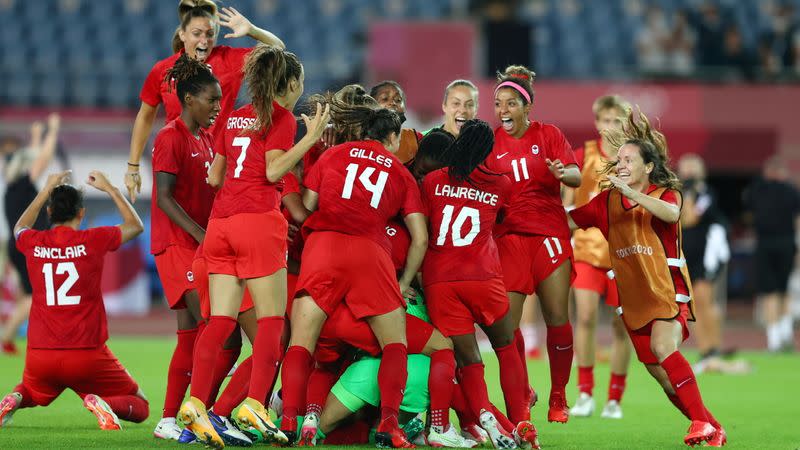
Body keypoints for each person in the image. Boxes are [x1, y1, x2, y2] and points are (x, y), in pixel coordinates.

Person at [178, 45, 329, 450]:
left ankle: (195, 402)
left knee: (221, 322)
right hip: (258, 223)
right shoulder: (278, 118)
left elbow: (213, 177)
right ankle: (253, 404)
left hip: (220, 225)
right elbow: (273, 170)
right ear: (291, 83)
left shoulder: (235, 116)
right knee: (271, 322)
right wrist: (309, 137)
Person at [568, 110, 726, 447]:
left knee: (662, 346)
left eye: (628, 158)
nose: (620, 162)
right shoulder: (606, 201)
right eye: (618, 158)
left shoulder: (667, 193)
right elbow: (568, 221)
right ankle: (711, 425)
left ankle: (699, 422)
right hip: (634, 300)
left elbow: (672, 214)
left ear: (648, 167)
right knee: (666, 381)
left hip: (668, 291)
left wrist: (631, 193)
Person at [280, 100, 427, 449]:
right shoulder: (402, 173)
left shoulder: (333, 155)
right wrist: (403, 283)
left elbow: (307, 209)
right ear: (390, 137)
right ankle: (389, 423)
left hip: (323, 247)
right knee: (394, 344)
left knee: (302, 342)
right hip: (370, 252)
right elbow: (420, 237)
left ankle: (288, 422)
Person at [417, 122, 539, 449]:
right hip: (482, 277)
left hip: (440, 281)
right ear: (487, 151)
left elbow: (422, 228)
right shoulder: (500, 184)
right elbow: (502, 218)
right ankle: (520, 423)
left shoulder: (431, 182)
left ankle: (483, 412)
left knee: (468, 359)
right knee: (507, 347)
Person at [0, 170, 149, 430]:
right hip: (86, 354)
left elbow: (19, 228)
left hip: (40, 354)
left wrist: (46, 189)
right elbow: (136, 226)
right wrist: (112, 188)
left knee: (32, 390)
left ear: (48, 212)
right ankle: (103, 403)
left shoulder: (34, 241)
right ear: (81, 213)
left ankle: (15, 399)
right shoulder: (92, 239)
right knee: (141, 405)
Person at [483, 65, 581, 423]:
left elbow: (576, 174)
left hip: (549, 236)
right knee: (507, 328)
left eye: (511, 103)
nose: (503, 110)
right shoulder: (489, 142)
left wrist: (561, 173)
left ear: (527, 107)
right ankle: (522, 395)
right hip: (509, 240)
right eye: (498, 104)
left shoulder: (549, 134)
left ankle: (558, 395)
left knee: (557, 317)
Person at [125, 1, 285, 203]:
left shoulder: (229, 60)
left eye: (210, 34)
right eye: (197, 33)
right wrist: (133, 166)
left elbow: (278, 51)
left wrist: (252, 30)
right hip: (178, 164)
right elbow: (145, 116)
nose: (204, 40)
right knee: (178, 231)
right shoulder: (163, 70)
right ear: (182, 34)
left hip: (219, 166)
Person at [147, 54, 229, 441]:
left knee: (191, 334)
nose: (217, 106)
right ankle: (202, 412)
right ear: (189, 99)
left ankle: (169, 419)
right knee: (214, 328)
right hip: (178, 244)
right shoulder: (170, 136)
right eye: (212, 99)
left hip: (201, 242)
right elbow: (163, 197)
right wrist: (201, 234)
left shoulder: (208, 138)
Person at [563, 95, 632, 419]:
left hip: (625, 254)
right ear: (597, 123)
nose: (609, 127)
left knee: (623, 327)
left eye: (616, 121)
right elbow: (567, 201)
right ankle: (585, 393)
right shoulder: (584, 155)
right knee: (586, 317)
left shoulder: (634, 159)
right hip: (587, 249)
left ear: (626, 124)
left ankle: (614, 398)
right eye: (605, 121)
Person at [1, 114, 61, 354]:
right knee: (34, 297)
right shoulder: (23, 184)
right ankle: (6, 337)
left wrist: (36, 136)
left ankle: (20, 335)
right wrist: (53, 130)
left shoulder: (13, 187)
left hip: (19, 246)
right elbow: (43, 158)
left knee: (29, 295)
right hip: (30, 246)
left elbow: (32, 159)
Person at [678, 154, 734, 369]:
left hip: (705, 254)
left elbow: (691, 218)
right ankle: (704, 350)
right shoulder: (677, 192)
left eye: (693, 169)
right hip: (686, 253)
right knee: (694, 304)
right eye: (686, 169)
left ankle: (713, 348)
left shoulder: (707, 193)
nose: (689, 173)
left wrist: (690, 194)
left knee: (705, 301)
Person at [743, 156, 800, 352]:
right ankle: (779, 337)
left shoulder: (758, 190)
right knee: (779, 291)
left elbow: (748, 215)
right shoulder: (790, 190)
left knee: (774, 292)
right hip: (781, 244)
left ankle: (778, 338)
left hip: (770, 244)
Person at [370, 81, 423, 165]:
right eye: (385, 99)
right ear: (370, 105)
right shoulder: (359, 138)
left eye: (398, 100)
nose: (393, 103)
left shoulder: (417, 140)